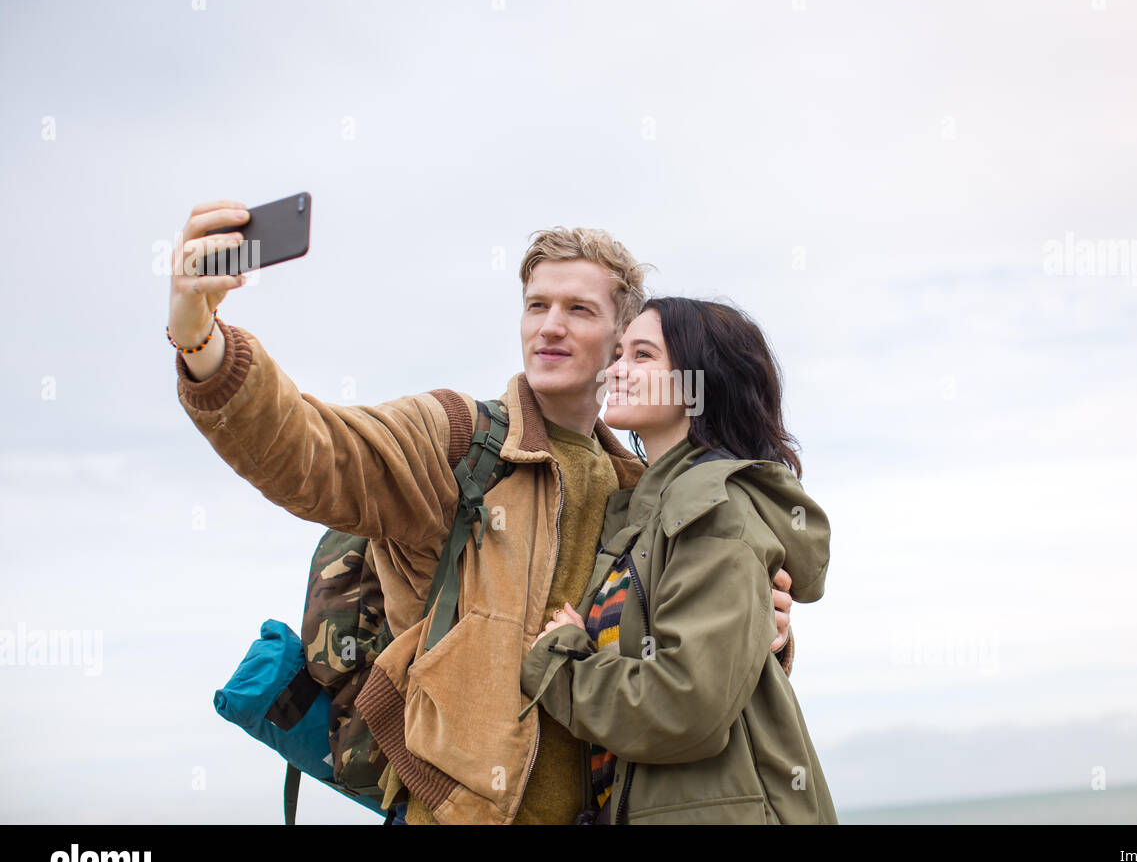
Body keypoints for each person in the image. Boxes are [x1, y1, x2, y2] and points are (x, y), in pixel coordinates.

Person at [167, 201, 799, 823]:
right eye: (536, 306)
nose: (550, 326)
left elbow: (676, 682)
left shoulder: (644, 493)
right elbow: (308, 447)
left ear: (620, 340)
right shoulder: (456, 439)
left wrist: (754, 632)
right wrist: (201, 338)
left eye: (578, 310)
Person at [520, 296, 837, 823]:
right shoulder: (648, 512)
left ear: (700, 382)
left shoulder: (715, 508)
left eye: (642, 356)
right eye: (617, 354)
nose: (615, 370)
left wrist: (558, 664)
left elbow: (686, 707)